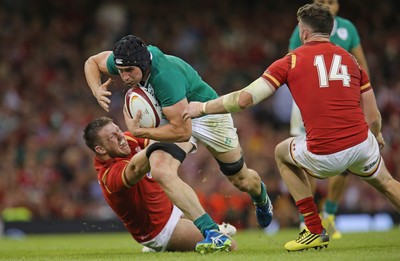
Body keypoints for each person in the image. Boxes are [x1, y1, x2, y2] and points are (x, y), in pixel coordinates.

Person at [182, 3, 400, 252]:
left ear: (304, 33)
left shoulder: (291, 61)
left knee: (281, 152)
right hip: (361, 145)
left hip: (324, 155)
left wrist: (203, 108)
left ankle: (313, 228)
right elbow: (373, 116)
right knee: (387, 183)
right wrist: (377, 135)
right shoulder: (350, 59)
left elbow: (244, 99)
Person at [84, 34, 274, 248]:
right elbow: (92, 62)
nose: (125, 77)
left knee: (241, 180)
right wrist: (96, 88)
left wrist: (141, 132)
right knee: (161, 170)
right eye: (121, 71)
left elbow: (183, 132)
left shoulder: (165, 79)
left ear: (144, 63)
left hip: (208, 115)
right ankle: (212, 232)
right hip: (173, 116)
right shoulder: (127, 59)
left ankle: (260, 196)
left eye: (130, 71)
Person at [82, 113, 237, 253]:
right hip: (160, 229)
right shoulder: (109, 176)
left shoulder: (127, 140)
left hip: (170, 207)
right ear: (100, 149)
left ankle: (207, 231)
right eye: (112, 137)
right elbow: (137, 167)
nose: (120, 136)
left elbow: (160, 142)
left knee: (180, 138)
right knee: (230, 246)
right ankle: (163, 246)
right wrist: (168, 126)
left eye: (118, 130)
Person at [288, 0, 370, 239]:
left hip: (341, 102)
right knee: (305, 159)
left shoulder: (348, 29)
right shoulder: (301, 30)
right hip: (310, 104)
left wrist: (362, 96)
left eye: (330, 1)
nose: (327, 5)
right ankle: (309, 220)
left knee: (347, 159)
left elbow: (362, 66)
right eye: (321, 2)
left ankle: (330, 214)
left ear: (338, 6)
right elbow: (292, 63)